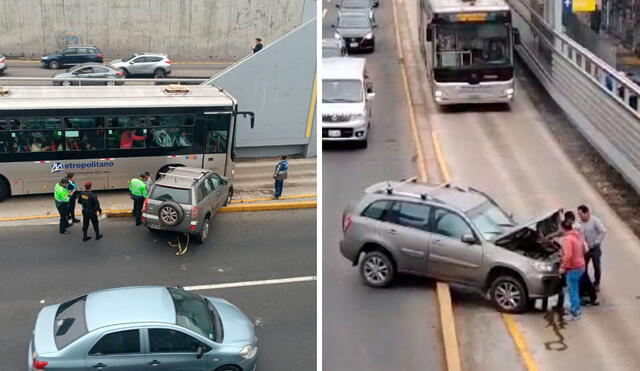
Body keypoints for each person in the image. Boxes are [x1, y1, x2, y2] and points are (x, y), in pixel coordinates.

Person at [559, 219, 586, 320]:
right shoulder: (577, 235)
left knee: (572, 291)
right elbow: (583, 249)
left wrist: (563, 267)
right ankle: (576, 309)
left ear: (563, 228)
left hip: (573, 268)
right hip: (581, 266)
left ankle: (574, 313)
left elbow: (568, 255)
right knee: (575, 290)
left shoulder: (568, 239)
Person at [577, 205, 607, 291]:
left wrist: (596, 242)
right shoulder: (579, 223)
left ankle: (597, 283)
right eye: (579, 214)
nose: (580, 216)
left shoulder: (594, 221)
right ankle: (585, 284)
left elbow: (603, 232)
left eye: (581, 214)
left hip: (595, 248)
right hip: (585, 249)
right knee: (583, 267)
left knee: (596, 266)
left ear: (587, 213)